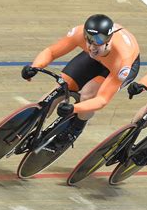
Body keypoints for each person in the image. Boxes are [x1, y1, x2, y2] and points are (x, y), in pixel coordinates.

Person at [21, 14, 140, 148]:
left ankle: (74, 129)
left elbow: (102, 100)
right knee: (60, 87)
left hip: (116, 66)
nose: (91, 46)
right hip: (96, 58)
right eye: (88, 39)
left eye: (98, 41)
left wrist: (73, 108)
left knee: (88, 94)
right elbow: (51, 52)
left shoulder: (123, 60)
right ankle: (28, 124)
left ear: (109, 39)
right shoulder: (80, 35)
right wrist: (35, 66)